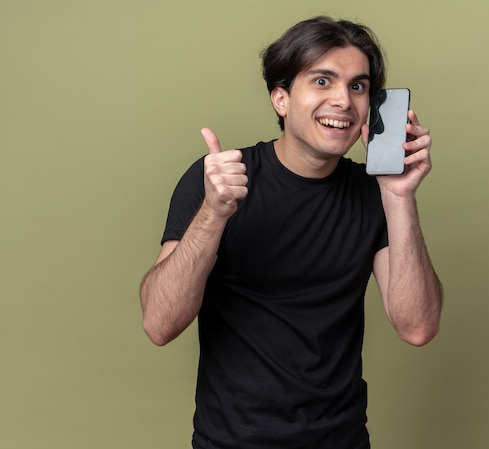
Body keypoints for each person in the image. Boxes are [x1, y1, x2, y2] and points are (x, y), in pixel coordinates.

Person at [140, 15, 443, 449]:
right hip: (231, 442)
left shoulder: (372, 193)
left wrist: (398, 197)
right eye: (322, 81)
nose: (343, 100)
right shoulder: (219, 180)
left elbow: (417, 327)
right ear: (280, 98)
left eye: (358, 86)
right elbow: (159, 324)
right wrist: (214, 212)